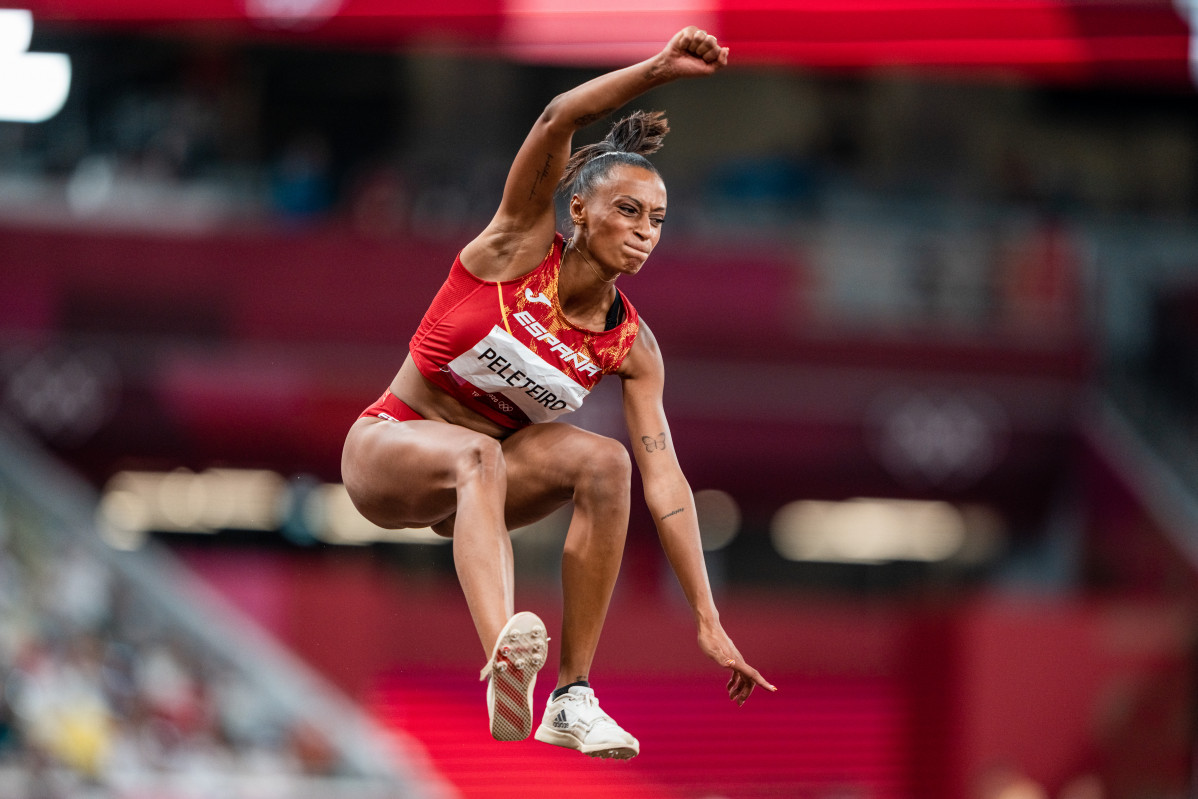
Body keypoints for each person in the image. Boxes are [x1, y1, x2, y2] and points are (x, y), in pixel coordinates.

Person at [341, 26, 775, 760]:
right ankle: (502, 662)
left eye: (659, 221)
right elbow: (557, 118)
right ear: (578, 210)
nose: (645, 233)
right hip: (390, 450)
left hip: (483, 490)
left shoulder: (632, 347)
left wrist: (707, 614)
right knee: (477, 453)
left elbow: (666, 479)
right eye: (629, 212)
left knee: (608, 464)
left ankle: (572, 695)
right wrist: (658, 69)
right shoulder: (515, 247)